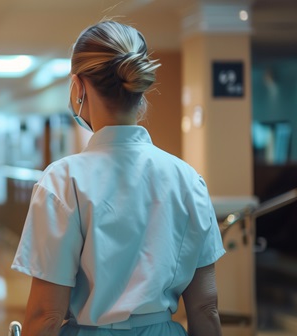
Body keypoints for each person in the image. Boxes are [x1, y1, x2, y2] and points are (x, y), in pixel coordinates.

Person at [11, 20, 225, 336]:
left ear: (78, 87)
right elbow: (205, 308)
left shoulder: (62, 182)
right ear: (139, 87)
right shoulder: (188, 180)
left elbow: (46, 314)